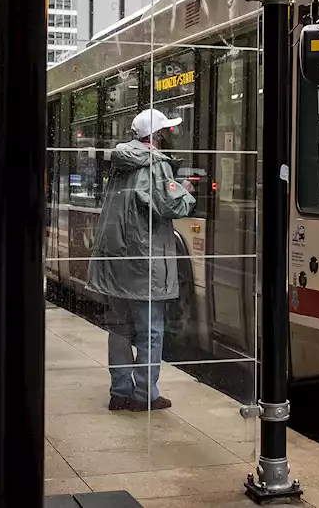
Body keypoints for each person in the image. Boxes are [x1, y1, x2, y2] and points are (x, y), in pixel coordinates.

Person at [87, 108, 195, 413]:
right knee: (151, 330)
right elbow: (168, 205)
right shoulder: (156, 164)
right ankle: (145, 395)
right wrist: (184, 191)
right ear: (157, 135)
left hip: (116, 260)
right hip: (144, 261)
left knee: (119, 328)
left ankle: (119, 392)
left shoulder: (121, 162)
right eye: (166, 132)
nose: (168, 138)